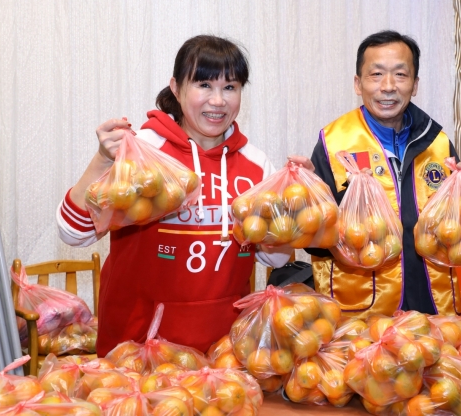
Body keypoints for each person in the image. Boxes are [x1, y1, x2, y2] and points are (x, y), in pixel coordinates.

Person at [57, 35, 293, 355]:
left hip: (222, 353)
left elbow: (275, 257)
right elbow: (74, 233)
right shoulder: (145, 151)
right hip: (137, 349)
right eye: (204, 85)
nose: (218, 100)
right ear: (177, 88)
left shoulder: (256, 164)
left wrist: (292, 207)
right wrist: (102, 160)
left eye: (230, 87)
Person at [290, 30, 461, 316]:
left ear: (415, 84)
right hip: (361, 315)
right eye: (376, 74)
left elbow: (458, 233)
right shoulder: (334, 143)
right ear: (358, 84)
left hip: (432, 307)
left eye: (400, 75)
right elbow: (314, 243)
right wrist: (309, 202)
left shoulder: (438, 143)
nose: (388, 86)